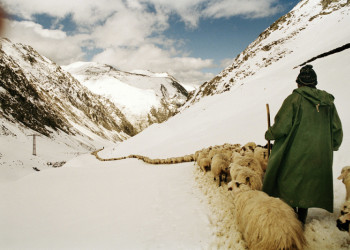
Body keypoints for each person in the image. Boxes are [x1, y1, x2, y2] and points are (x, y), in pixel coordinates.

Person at [262, 64, 343, 225]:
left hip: (296, 151)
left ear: (299, 82)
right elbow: (336, 128)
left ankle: (292, 221)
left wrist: (269, 134)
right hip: (320, 153)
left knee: (289, 182)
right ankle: (302, 218)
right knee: (307, 184)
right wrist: (332, 144)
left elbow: (281, 126)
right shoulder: (327, 102)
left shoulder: (295, 99)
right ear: (315, 82)